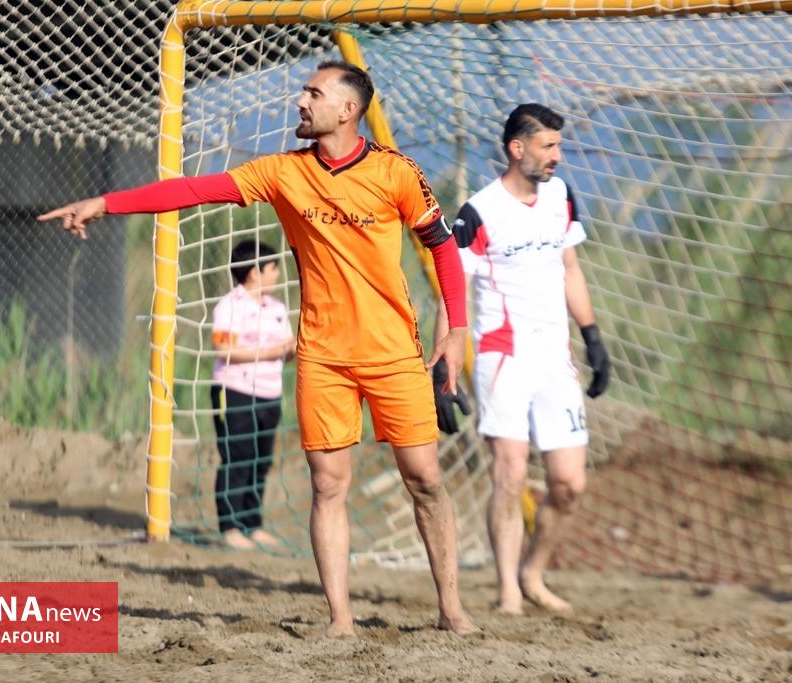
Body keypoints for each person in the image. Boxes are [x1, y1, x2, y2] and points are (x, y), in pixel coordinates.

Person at [39, 61, 476, 636]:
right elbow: (193, 189)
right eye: (303, 91)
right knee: (328, 485)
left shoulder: (396, 171)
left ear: (348, 110)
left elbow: (442, 248)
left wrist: (456, 330)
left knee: (424, 479)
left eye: (314, 93)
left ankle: (452, 611)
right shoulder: (282, 172)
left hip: (394, 353)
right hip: (322, 355)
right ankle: (340, 620)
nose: (300, 101)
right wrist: (106, 202)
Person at [433, 103, 610, 615]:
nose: (558, 155)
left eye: (559, 145)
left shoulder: (561, 196)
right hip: (501, 357)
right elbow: (453, 293)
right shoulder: (478, 211)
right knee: (509, 474)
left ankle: (533, 572)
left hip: (556, 358)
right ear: (517, 149)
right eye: (548, 146)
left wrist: (593, 336)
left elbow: (570, 268)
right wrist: (445, 367)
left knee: (569, 484)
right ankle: (508, 590)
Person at [210, 239, 295, 551]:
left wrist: (295, 349)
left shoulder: (277, 309)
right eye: (273, 268)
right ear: (255, 272)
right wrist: (272, 350)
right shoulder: (230, 306)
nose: (277, 274)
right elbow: (223, 349)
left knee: (261, 460)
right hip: (235, 391)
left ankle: (252, 524)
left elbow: (287, 349)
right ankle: (230, 527)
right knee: (237, 458)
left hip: (270, 394)